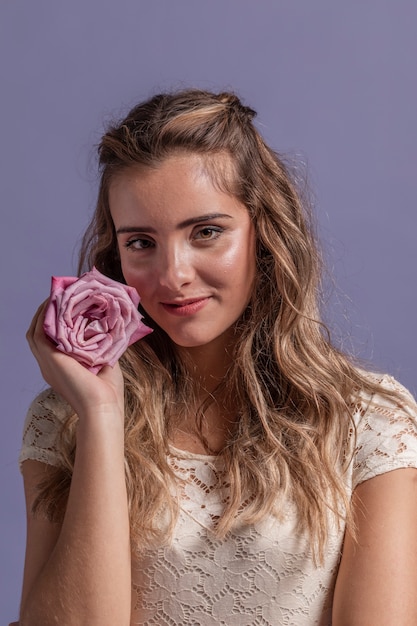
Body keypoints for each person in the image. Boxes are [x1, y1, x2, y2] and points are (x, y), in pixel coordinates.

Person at [15, 89, 417, 626]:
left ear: (264, 234)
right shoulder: (64, 420)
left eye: (206, 232)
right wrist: (102, 418)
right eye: (141, 242)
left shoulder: (371, 422)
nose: (173, 274)